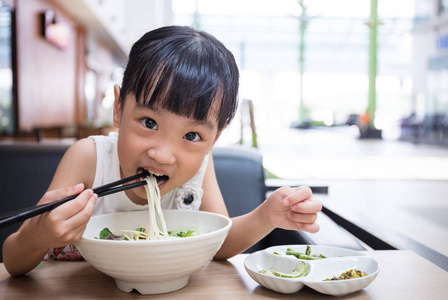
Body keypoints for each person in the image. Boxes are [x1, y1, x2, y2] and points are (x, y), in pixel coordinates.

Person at [2, 26, 321, 276]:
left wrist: (266, 216)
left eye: (192, 135)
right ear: (118, 108)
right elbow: (14, 263)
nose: (163, 154)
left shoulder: (198, 165)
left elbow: (219, 244)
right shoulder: (89, 158)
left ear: (214, 139)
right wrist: (38, 235)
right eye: (149, 123)